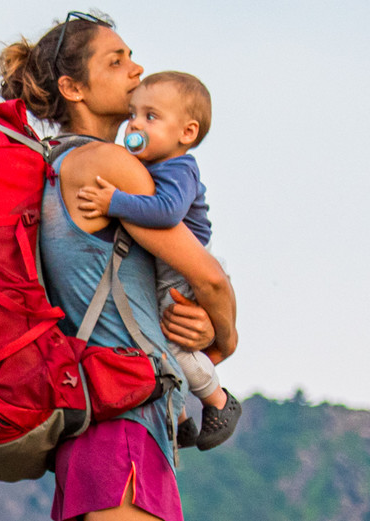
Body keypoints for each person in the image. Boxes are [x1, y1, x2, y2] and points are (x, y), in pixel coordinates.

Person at [0, 12, 238, 521]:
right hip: (122, 426)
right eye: (117, 60)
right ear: (73, 88)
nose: (136, 69)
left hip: (94, 428)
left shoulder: (52, 164)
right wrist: (225, 340)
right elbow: (209, 276)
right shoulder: (107, 166)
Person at [72, 71, 242, 451]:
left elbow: (166, 212)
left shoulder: (180, 168)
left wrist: (114, 203)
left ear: (187, 132)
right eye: (134, 114)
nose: (135, 123)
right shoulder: (151, 168)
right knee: (152, 335)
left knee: (172, 341)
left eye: (151, 117)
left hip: (180, 271)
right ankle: (180, 419)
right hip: (164, 267)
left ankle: (217, 401)